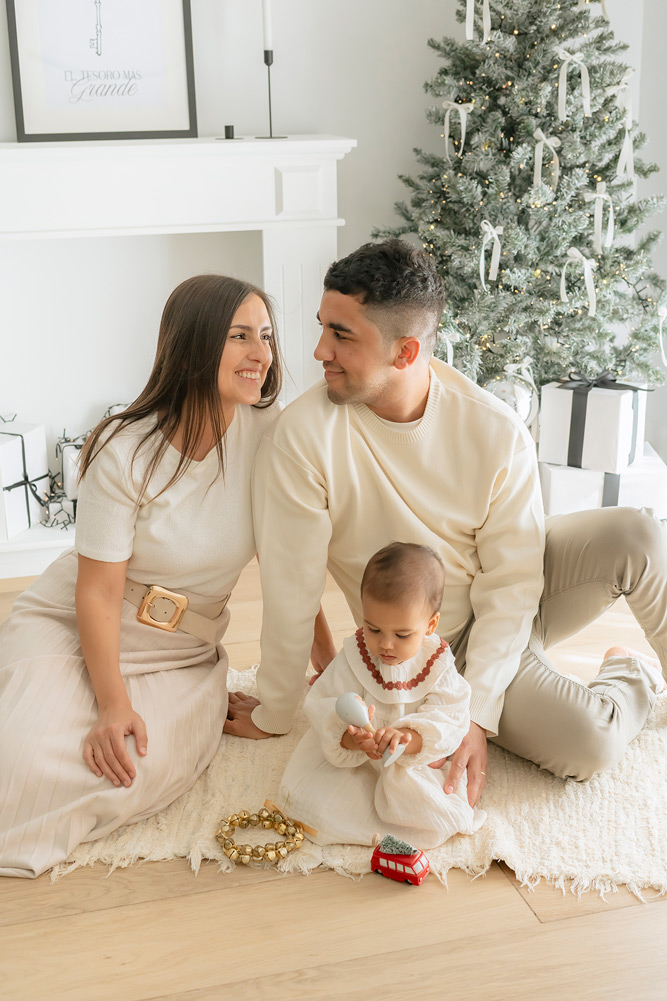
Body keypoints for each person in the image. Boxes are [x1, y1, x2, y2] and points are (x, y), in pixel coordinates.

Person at [228, 238, 667, 809]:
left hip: (512, 597)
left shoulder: (493, 428)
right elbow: (291, 586)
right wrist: (277, 708)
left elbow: (513, 582)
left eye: (341, 335)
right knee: (588, 743)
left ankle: (639, 668)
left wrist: (477, 719)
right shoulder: (303, 438)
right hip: (427, 643)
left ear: (406, 352)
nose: (318, 352)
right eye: (322, 327)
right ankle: (629, 674)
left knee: (637, 533)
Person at [0, 273, 309, 879]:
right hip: (79, 622)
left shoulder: (273, 434)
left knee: (130, 766)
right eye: (240, 336)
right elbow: (97, 590)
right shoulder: (123, 447)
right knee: (25, 757)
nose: (262, 356)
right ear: (194, 345)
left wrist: (321, 666)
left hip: (184, 649)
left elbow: (293, 559)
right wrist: (112, 704)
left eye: (267, 337)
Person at [278, 543, 485, 848]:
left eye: (402, 635)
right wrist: (351, 739)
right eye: (373, 628)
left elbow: (450, 716)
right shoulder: (356, 655)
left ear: (430, 625)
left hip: (409, 762)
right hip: (355, 762)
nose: (385, 644)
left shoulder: (436, 663)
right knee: (313, 800)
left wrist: (408, 737)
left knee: (436, 811)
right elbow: (324, 703)